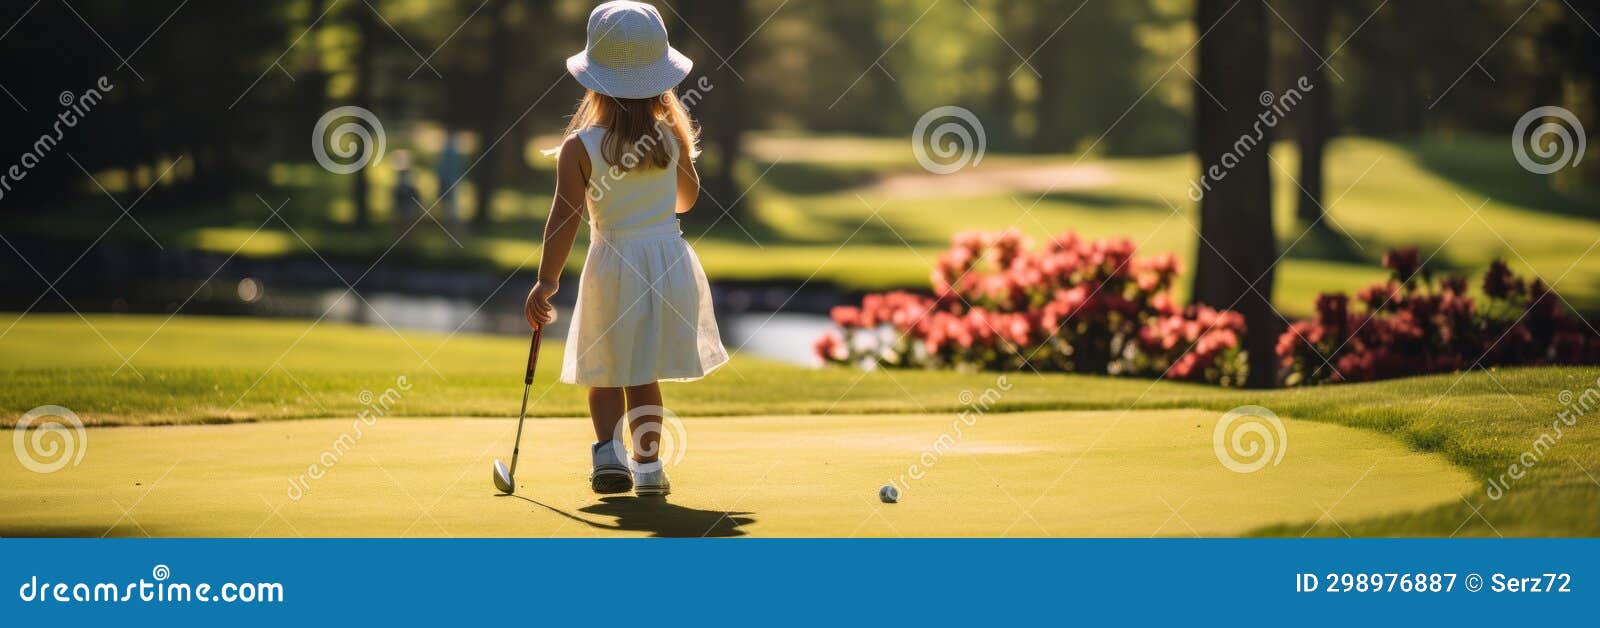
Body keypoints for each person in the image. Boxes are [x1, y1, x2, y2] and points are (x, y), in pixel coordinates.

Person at [524, 0, 727, 497]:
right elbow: (686, 201)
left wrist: (546, 281)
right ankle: (650, 468)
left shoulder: (579, 147)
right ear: (660, 80)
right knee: (643, 375)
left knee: (606, 369)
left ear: (594, 80)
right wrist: (677, 144)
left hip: (613, 265)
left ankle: (608, 457)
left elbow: (564, 220)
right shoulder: (668, 138)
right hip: (666, 262)